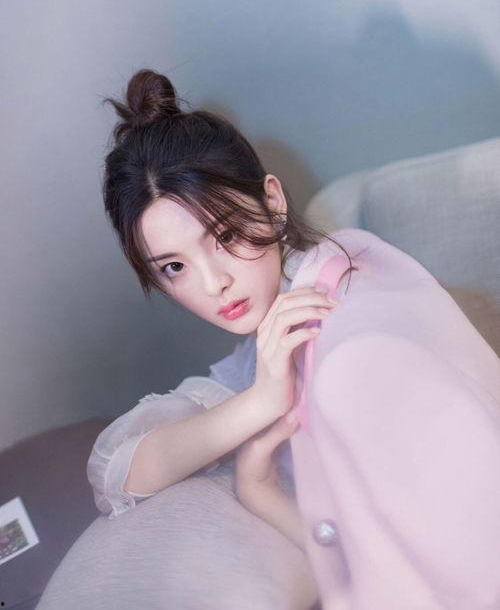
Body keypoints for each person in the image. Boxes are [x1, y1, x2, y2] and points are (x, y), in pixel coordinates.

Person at [87, 68, 500, 610]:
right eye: (173, 267)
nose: (213, 283)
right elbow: (117, 471)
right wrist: (260, 423)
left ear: (273, 201)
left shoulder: (351, 340)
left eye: (225, 235)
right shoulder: (274, 341)